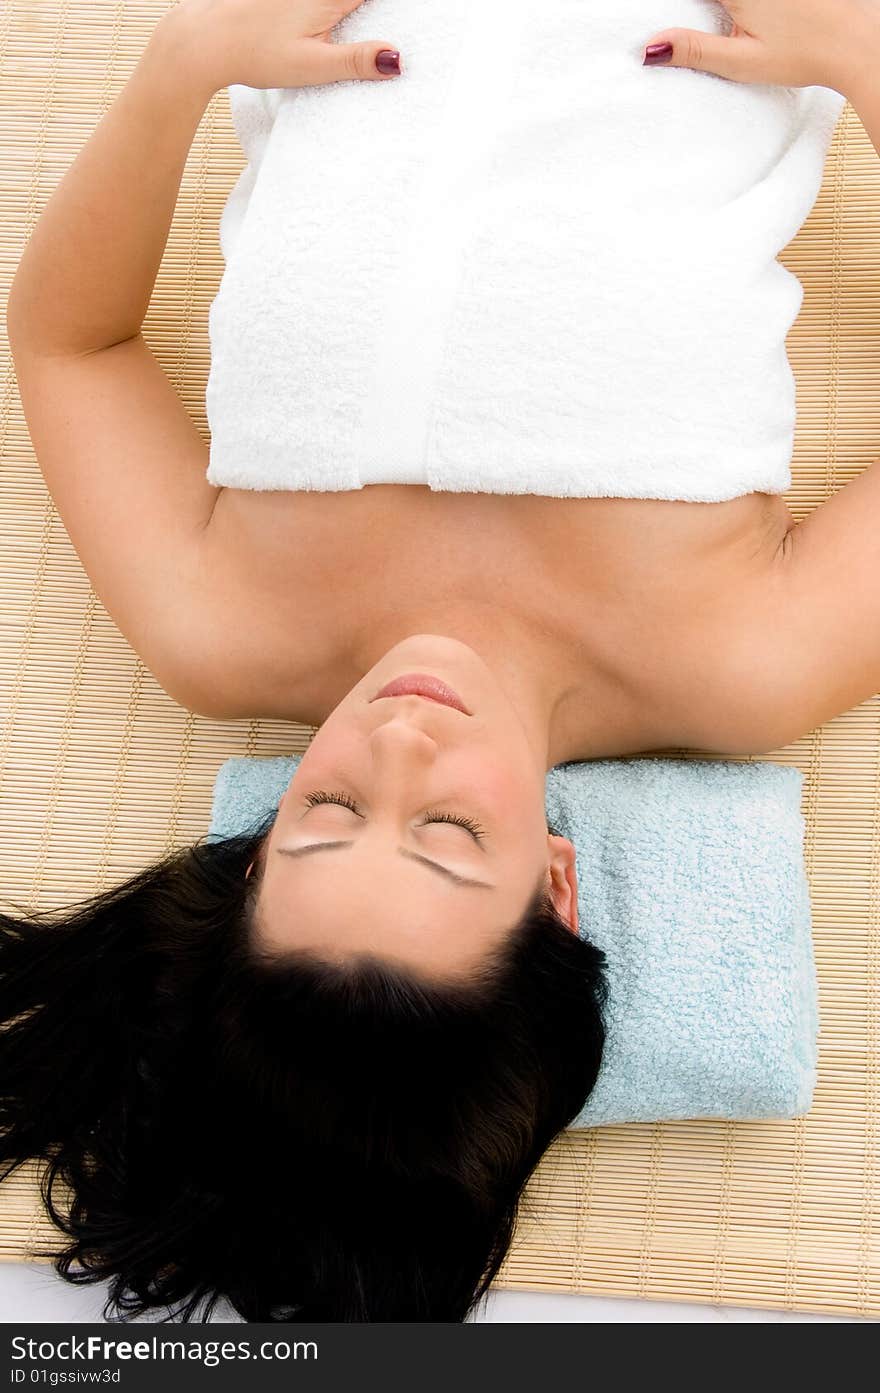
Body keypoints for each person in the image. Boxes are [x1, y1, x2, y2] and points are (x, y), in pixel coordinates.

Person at [4, 0, 879, 1323]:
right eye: (450, 832)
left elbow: (68, 342)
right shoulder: (742, 660)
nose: (398, 743)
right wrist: (863, 58)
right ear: (562, 889)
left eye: (328, 812)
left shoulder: (217, 620)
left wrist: (180, 65)